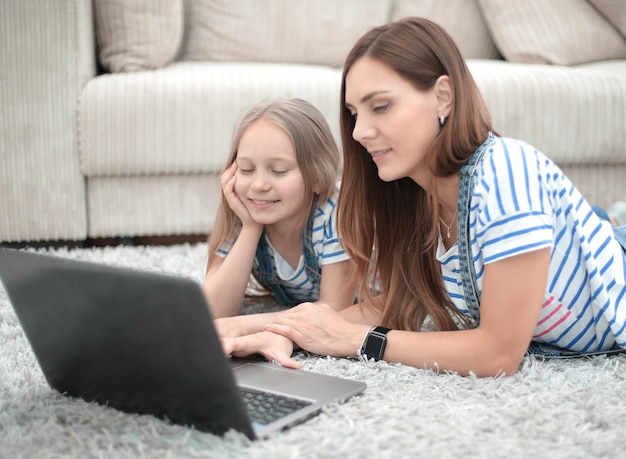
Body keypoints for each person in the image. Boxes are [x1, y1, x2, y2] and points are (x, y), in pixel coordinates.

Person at [222, 17, 626, 377]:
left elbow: (498, 353)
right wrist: (255, 330)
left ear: (443, 97)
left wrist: (363, 341)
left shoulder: (505, 168)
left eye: (380, 106)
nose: (359, 131)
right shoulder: (417, 199)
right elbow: (391, 304)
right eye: (354, 113)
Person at [203, 98, 356, 350]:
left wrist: (245, 325)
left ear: (317, 178)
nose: (259, 185)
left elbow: (334, 309)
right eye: (246, 169)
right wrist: (251, 228)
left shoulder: (336, 214)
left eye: (279, 170)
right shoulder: (243, 214)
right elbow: (214, 311)